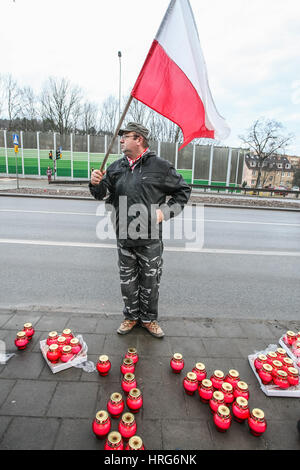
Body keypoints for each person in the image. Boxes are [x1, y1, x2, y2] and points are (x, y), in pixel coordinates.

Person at [89, 122, 191, 338]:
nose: (122, 140)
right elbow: (101, 194)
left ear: (139, 139)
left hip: (150, 240)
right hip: (124, 238)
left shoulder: (160, 167)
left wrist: (164, 212)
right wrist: (95, 183)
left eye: (126, 136)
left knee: (150, 283)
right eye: (121, 136)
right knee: (127, 282)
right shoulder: (116, 167)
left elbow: (183, 191)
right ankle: (131, 317)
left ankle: (149, 320)